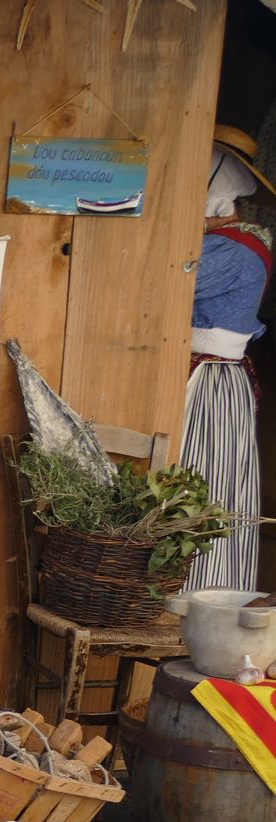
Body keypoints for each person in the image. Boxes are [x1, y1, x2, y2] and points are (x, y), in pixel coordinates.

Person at [184, 125, 275, 591]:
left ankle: (199, 593)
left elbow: (167, 281)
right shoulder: (231, 242)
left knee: (202, 481)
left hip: (211, 384)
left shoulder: (232, 249)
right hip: (209, 378)